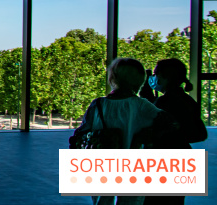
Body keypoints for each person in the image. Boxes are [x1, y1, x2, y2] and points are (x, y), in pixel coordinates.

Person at [72, 58, 174, 205]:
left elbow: (81, 133)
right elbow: (169, 123)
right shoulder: (141, 105)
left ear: (113, 77)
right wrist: (142, 138)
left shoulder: (98, 104)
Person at [144, 59, 208, 205]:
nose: (154, 78)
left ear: (164, 76)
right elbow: (199, 133)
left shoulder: (164, 102)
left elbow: (150, 125)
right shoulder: (188, 100)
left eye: (155, 74)